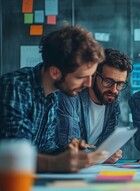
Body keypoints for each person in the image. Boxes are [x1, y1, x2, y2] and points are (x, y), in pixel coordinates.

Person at [0, 25, 109, 173]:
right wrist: (55, 163)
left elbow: (44, 148)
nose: (89, 84)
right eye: (81, 77)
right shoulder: (14, 88)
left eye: (92, 76)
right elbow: (15, 156)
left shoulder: (53, 94)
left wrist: (66, 151)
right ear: (55, 73)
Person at [56, 48, 133, 163]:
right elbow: (70, 147)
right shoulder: (71, 97)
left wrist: (110, 154)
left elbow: (107, 147)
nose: (114, 90)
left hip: (91, 170)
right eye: (108, 81)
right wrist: (100, 155)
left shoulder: (112, 103)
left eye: (120, 84)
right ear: (94, 76)